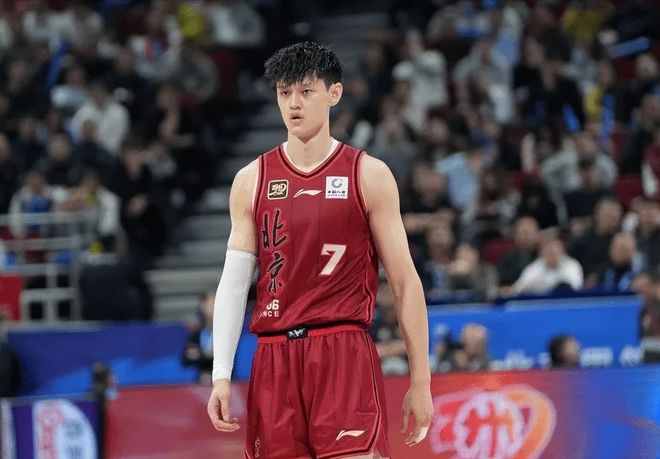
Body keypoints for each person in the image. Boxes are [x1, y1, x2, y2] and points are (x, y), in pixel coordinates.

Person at [207, 42, 433, 459]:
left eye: (306, 91)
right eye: (284, 92)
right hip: (274, 357)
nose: (293, 103)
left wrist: (421, 382)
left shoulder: (368, 174)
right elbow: (234, 285)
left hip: (342, 350)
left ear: (334, 93)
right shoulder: (251, 180)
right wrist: (221, 373)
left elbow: (405, 282)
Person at [183, 290, 215, 384]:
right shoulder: (195, 335)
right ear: (202, 306)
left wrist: (200, 355)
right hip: (199, 382)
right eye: (212, 303)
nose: (215, 307)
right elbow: (186, 358)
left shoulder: (228, 334)